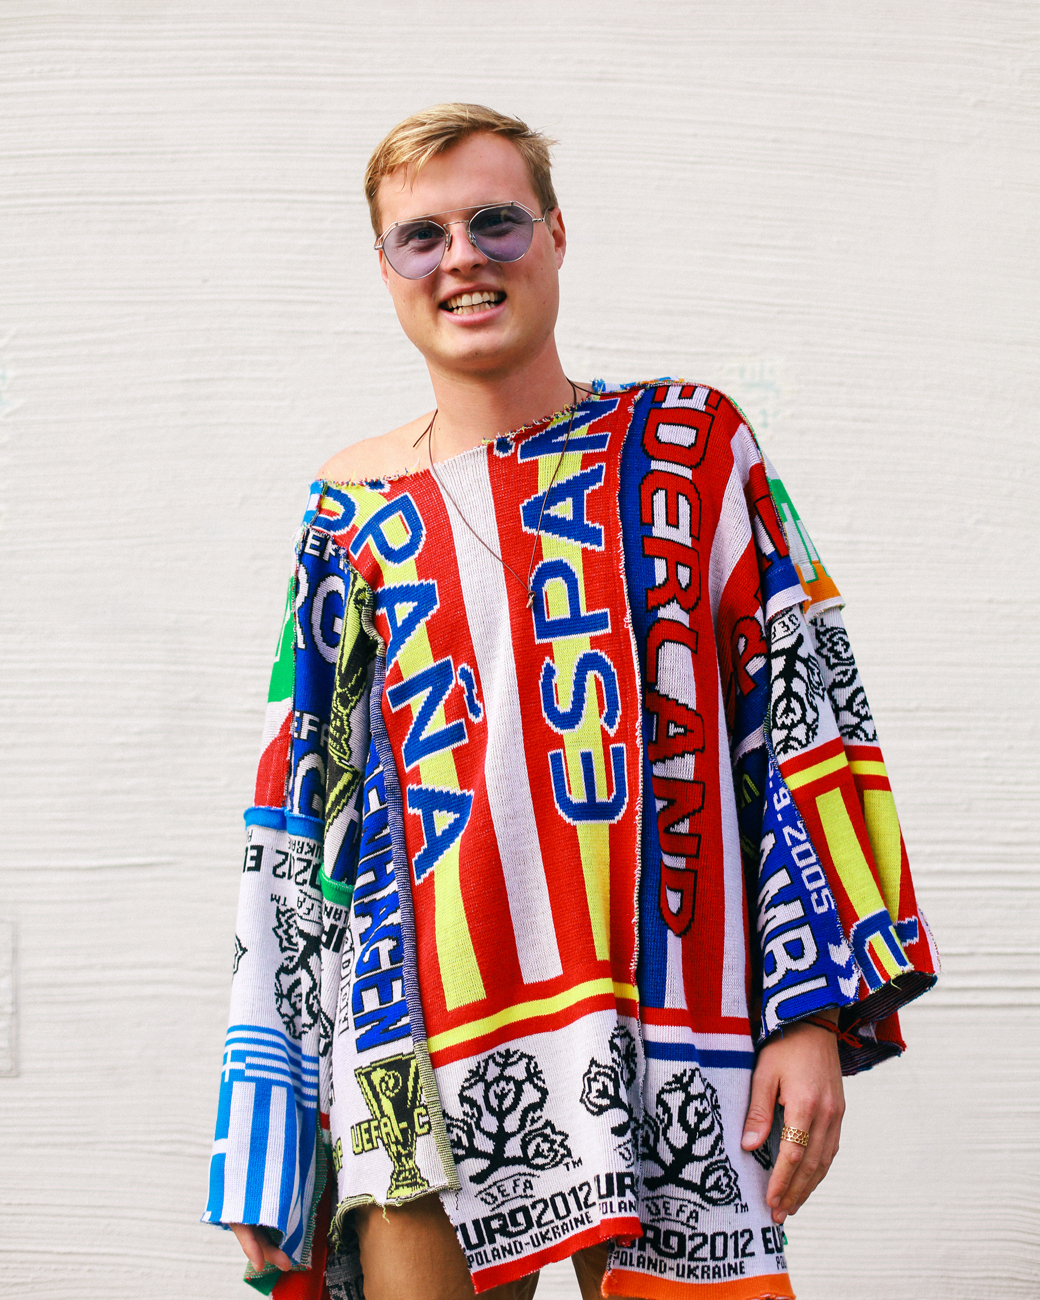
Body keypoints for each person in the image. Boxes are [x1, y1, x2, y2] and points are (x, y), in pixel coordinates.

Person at [203, 104, 938, 1300]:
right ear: (385, 268)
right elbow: (297, 807)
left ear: (552, 233)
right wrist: (266, 1106)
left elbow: (804, 715)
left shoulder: (689, 447)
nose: (461, 258)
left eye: (494, 221)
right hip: (414, 1043)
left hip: (670, 1016)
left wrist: (808, 1014)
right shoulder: (348, 507)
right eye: (421, 236)